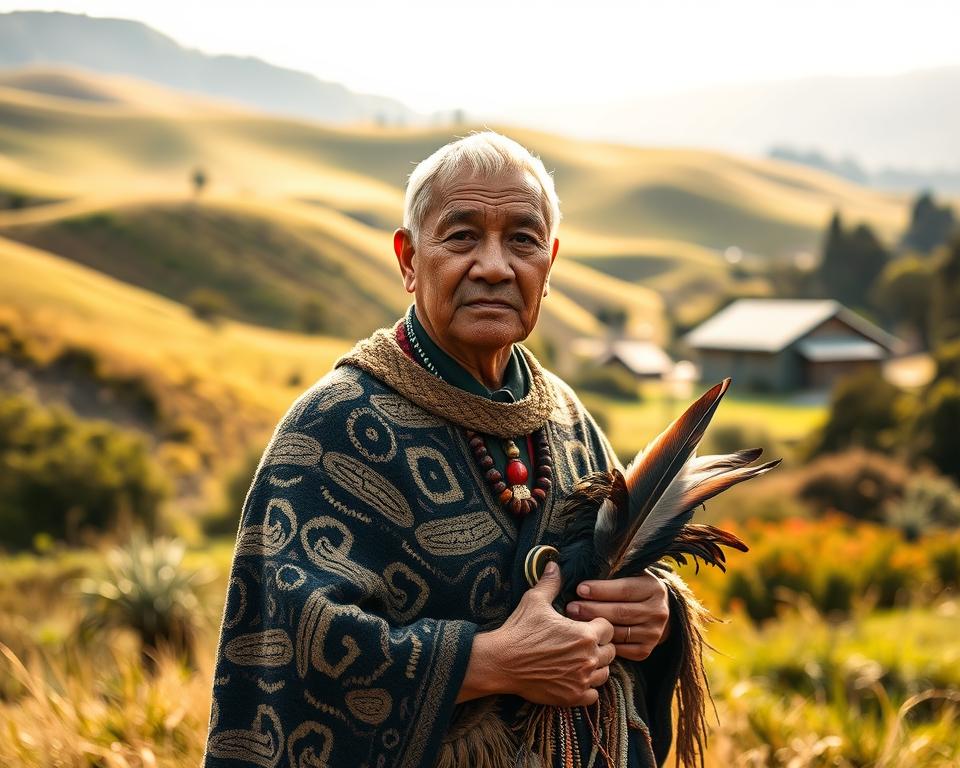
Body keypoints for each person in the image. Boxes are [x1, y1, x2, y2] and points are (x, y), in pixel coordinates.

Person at [202, 131, 705, 768]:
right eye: (462, 235)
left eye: (522, 239)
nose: (494, 265)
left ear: (549, 261)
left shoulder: (571, 421)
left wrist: (653, 613)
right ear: (409, 259)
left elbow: (618, 573)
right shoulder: (332, 426)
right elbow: (289, 650)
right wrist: (489, 663)